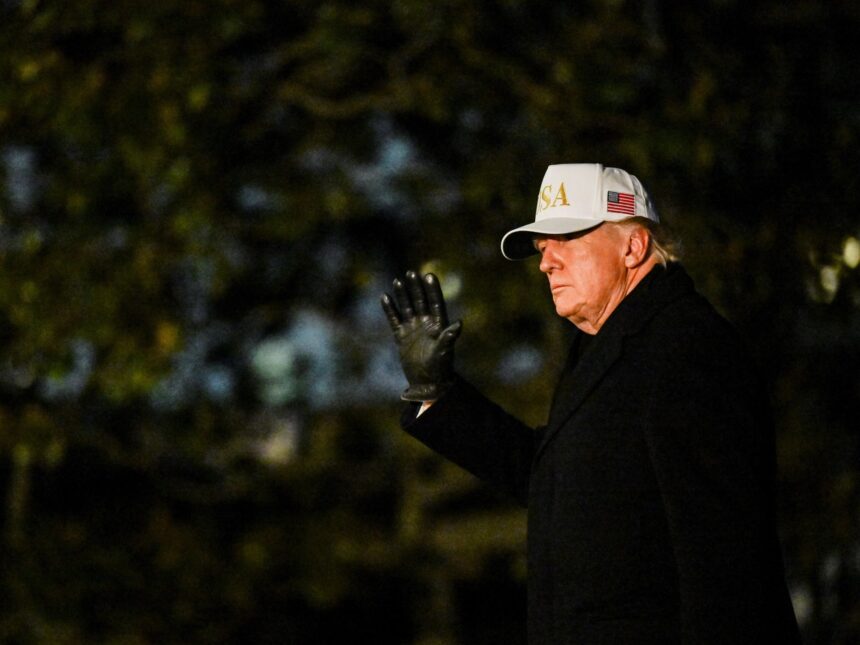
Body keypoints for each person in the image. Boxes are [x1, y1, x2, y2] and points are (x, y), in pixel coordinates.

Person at [380, 163, 801, 643]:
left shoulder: (686, 348)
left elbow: (727, 559)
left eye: (567, 239)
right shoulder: (608, 349)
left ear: (633, 246)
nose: (547, 263)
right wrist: (437, 393)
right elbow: (556, 479)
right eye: (543, 248)